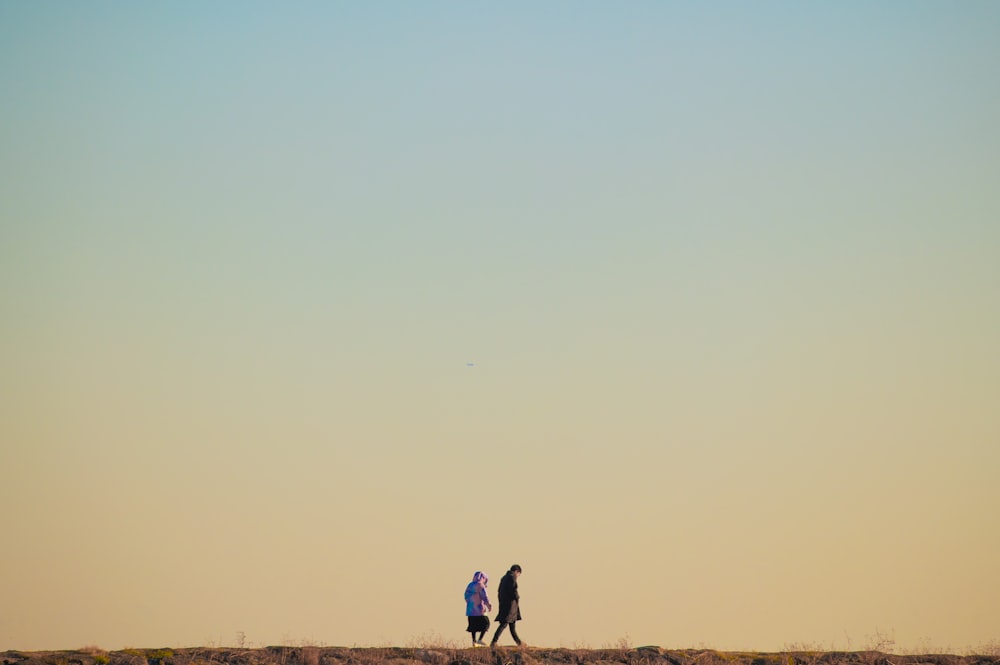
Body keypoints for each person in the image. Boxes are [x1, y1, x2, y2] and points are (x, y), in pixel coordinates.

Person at [490, 564, 523, 648]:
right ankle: (494, 642)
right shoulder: (511, 578)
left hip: (504, 604)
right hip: (510, 605)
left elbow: (499, 591)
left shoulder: (504, 578)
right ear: (516, 572)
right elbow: (513, 590)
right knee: (504, 623)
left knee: (512, 625)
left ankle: (519, 643)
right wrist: (517, 597)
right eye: (518, 574)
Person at [464, 571, 492, 647]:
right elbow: (484, 596)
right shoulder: (481, 586)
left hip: (470, 610)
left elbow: (466, 596)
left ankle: (474, 641)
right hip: (479, 610)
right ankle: (480, 639)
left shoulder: (470, 585)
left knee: (473, 626)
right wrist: (488, 604)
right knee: (486, 623)